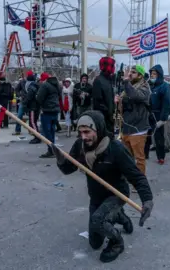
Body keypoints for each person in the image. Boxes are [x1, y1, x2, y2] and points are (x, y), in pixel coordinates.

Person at [52, 110, 153, 263]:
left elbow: (137, 176)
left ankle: (117, 243)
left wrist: (147, 200)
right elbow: (69, 168)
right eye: (80, 132)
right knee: (95, 243)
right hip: (97, 196)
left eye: (87, 132)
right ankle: (119, 216)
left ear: (98, 129)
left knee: (98, 221)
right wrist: (61, 160)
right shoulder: (80, 145)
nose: (84, 137)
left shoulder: (115, 148)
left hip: (116, 194)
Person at [115, 65, 151, 175]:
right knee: (127, 157)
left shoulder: (144, 87)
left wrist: (126, 82)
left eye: (133, 72)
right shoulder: (128, 87)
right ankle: (130, 178)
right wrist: (117, 101)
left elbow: (135, 96)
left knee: (139, 159)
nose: (130, 74)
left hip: (138, 129)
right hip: (126, 128)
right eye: (130, 72)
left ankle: (140, 183)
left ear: (140, 75)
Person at [148, 64, 170, 165]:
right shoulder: (150, 86)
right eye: (151, 74)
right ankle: (145, 153)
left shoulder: (165, 86)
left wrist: (163, 118)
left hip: (158, 114)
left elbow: (167, 103)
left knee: (159, 137)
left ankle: (161, 156)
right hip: (149, 113)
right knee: (148, 135)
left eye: (154, 74)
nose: (152, 75)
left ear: (159, 75)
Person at [36, 73, 61, 158]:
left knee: (46, 132)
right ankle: (53, 148)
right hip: (55, 110)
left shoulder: (45, 85)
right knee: (52, 131)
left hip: (47, 111)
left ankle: (51, 150)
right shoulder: (57, 84)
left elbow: (39, 98)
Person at [92, 57, 116, 136]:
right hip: (104, 119)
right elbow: (97, 102)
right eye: (112, 65)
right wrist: (108, 114)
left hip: (110, 118)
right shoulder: (98, 80)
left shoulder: (109, 80)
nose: (114, 68)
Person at [22, 71, 41, 144]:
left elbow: (29, 96)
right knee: (33, 122)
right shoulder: (34, 85)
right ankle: (37, 136)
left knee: (32, 122)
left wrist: (24, 103)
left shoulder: (31, 86)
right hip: (35, 106)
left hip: (33, 107)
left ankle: (37, 137)